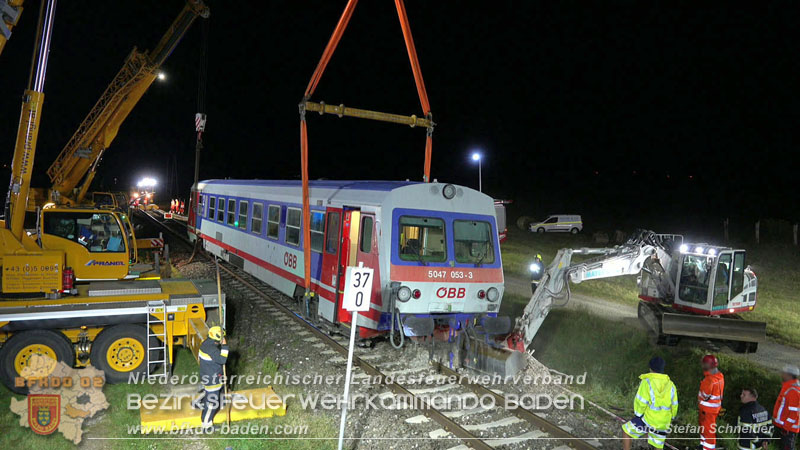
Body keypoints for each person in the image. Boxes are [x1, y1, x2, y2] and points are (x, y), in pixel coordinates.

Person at [622, 356, 679, 450]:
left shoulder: (647, 382)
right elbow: (674, 405)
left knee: (626, 431)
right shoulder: (671, 385)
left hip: (648, 420)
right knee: (658, 445)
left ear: (650, 368)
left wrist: (638, 415)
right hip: (663, 422)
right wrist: (671, 418)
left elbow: (641, 402)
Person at [198, 326, 228, 431]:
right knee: (212, 403)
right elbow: (222, 360)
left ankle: (207, 414)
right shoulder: (212, 350)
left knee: (210, 398)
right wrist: (225, 346)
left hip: (206, 376)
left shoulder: (205, 344)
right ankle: (206, 425)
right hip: (213, 380)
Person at [698, 354, 725, 450]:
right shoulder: (720, 376)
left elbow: (704, 395)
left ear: (707, 365)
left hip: (707, 411)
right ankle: (702, 445)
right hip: (713, 409)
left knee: (708, 432)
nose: (702, 366)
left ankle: (708, 448)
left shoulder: (709, 380)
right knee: (705, 429)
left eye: (703, 364)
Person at [773, 365, 800, 450]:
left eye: (784, 373)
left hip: (787, 430)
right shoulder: (788, 387)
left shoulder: (793, 390)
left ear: (789, 375)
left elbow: (794, 413)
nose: (782, 374)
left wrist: (786, 428)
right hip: (784, 428)